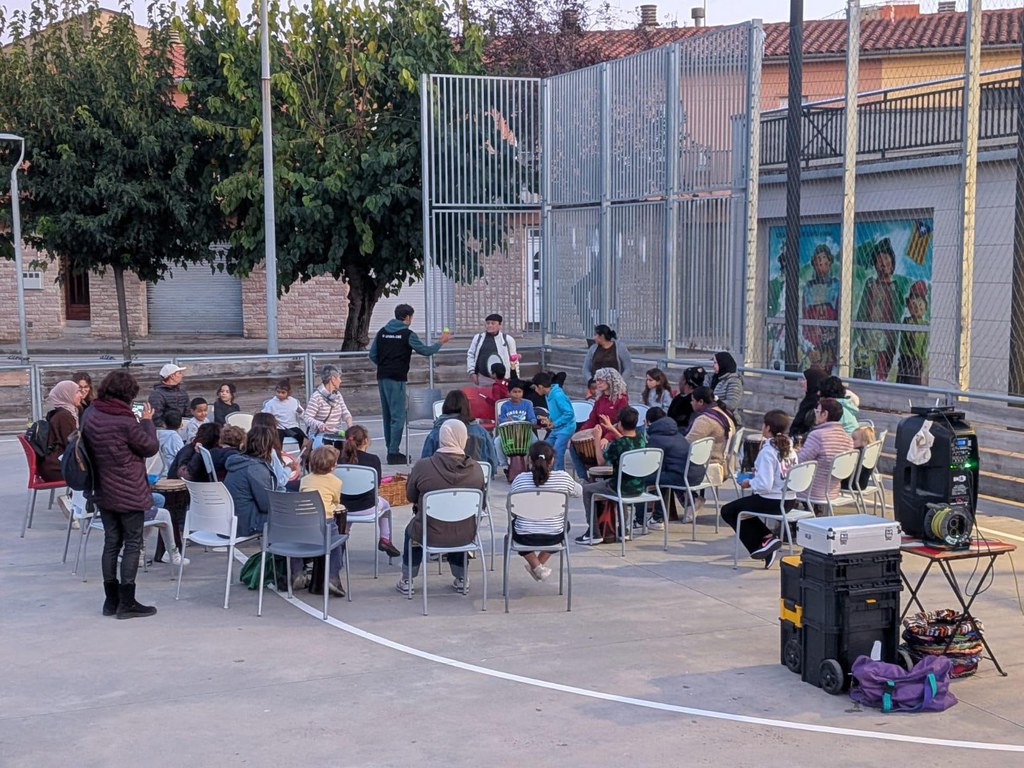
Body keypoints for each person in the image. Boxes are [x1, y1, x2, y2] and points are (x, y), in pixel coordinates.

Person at [84, 369, 160, 619]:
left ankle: (110, 600)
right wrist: (147, 421)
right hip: (129, 488)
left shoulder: (91, 413)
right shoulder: (126, 421)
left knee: (111, 542)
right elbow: (149, 447)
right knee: (132, 543)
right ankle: (127, 603)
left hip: (103, 487)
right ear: (129, 394)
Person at [396, 420, 486, 595]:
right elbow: (480, 505)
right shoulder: (476, 469)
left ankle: (407, 579)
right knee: (458, 522)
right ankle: (462, 577)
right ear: (463, 438)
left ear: (441, 437)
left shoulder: (423, 466)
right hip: (465, 534)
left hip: (429, 532)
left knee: (412, 531)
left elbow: (411, 496)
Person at [369, 304, 450, 465]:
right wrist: (441, 342)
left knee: (387, 415)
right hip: (397, 378)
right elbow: (425, 351)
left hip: (382, 377)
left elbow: (372, 354)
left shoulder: (382, 332)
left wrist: (384, 364)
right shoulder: (407, 334)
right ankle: (393, 453)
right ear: (407, 317)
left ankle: (390, 448)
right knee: (398, 416)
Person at [721, 410, 800, 569]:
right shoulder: (790, 449)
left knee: (728, 511)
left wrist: (749, 482)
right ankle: (767, 541)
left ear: (768, 427)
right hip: (789, 499)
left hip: (772, 501)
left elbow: (765, 485)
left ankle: (763, 543)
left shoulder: (768, 451)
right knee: (741, 509)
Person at [508, 441, 581, 581]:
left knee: (514, 527)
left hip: (525, 536)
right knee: (565, 525)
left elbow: (512, 509)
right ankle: (537, 566)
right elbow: (579, 492)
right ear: (552, 460)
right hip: (554, 535)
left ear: (529, 460)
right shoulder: (563, 478)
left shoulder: (519, 479)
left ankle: (536, 566)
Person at [578, 406, 646, 545]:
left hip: (619, 487)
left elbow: (601, 462)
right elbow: (627, 443)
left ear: (619, 423)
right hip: (639, 487)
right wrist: (611, 429)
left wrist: (597, 440)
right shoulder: (641, 439)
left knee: (587, 489)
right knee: (622, 482)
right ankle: (623, 530)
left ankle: (594, 533)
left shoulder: (617, 444)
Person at [338, 425, 401, 557]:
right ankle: (385, 539)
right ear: (366, 440)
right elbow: (376, 486)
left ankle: (340, 545)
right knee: (386, 505)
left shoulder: (339, 460)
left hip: (343, 507)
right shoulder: (373, 460)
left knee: (346, 514)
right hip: (367, 506)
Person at [298, 445, 347, 597]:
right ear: (333, 466)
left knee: (296, 541)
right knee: (336, 544)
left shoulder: (305, 480)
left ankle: (296, 571)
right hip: (325, 522)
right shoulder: (336, 482)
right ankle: (332, 576)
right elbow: (336, 500)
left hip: (303, 523)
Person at [643, 407, 703, 529]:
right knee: (662, 476)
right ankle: (658, 517)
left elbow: (650, 463)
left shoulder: (656, 438)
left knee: (645, 478)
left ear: (648, 422)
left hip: (683, 477)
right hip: (696, 473)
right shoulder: (676, 433)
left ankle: (649, 519)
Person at [855, 240, 902, 381]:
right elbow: (862, 311)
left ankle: (881, 381)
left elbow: (897, 314)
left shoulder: (895, 287)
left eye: (886, 258)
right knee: (866, 367)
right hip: (869, 334)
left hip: (885, 338)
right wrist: (859, 333)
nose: (883, 263)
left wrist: (893, 339)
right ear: (875, 264)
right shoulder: (870, 284)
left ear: (892, 262)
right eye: (879, 259)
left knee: (881, 368)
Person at [570, 367, 629, 478]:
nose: (598, 383)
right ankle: (584, 478)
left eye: (601, 380)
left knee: (603, 448)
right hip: (597, 433)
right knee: (573, 446)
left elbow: (620, 423)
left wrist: (607, 437)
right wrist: (579, 434)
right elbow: (592, 419)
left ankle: (603, 477)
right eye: (597, 380)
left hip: (613, 434)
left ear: (610, 381)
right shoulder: (600, 398)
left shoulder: (622, 399)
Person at [420, 389, 499, 473]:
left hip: (442, 478)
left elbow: (425, 464)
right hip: (475, 477)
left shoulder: (435, 433)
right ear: (467, 406)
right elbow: (492, 463)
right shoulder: (481, 432)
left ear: (445, 406)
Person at [797, 398, 855, 510]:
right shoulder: (848, 438)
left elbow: (800, 461)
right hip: (832, 491)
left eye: (817, 411)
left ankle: (788, 518)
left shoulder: (817, 435)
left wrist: (795, 453)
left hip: (811, 490)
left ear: (825, 414)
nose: (815, 414)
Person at [224, 425, 280, 537]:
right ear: (268, 446)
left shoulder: (238, 462)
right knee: (292, 516)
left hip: (229, 523)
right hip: (246, 524)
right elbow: (266, 505)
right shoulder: (256, 468)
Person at [685, 386, 735, 488]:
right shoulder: (723, 412)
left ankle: (688, 497)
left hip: (709, 465)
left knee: (669, 464)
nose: (691, 403)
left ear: (701, 402)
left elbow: (687, 443)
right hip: (723, 461)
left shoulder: (705, 420)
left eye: (693, 400)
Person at [802, 243, 840, 371]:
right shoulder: (809, 287)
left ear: (829, 261)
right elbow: (805, 314)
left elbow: (838, 312)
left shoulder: (836, 285)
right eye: (817, 259)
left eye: (823, 258)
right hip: (814, 337)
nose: (820, 262)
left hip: (830, 337)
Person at [39, 380, 83, 482]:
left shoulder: (62, 413)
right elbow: (73, 444)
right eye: (77, 392)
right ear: (66, 395)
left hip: (54, 464)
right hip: (57, 467)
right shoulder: (64, 417)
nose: (81, 395)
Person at [532, 372, 574, 472]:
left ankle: (560, 474)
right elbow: (555, 411)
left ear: (540, 386)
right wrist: (549, 420)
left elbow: (569, 413)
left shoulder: (557, 395)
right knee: (544, 448)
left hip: (566, 428)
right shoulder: (548, 395)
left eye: (536, 387)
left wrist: (555, 423)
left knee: (557, 451)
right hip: (557, 429)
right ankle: (546, 471)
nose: (535, 390)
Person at [493, 380, 538, 470]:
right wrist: (505, 420)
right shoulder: (505, 406)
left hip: (525, 433)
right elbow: (501, 420)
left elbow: (532, 418)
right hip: (509, 435)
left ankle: (530, 463)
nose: (517, 394)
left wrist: (533, 422)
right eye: (514, 392)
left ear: (523, 392)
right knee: (497, 442)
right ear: (509, 393)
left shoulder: (527, 404)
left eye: (519, 392)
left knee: (535, 441)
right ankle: (505, 465)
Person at [467, 313, 519, 384]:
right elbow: (471, 355)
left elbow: (514, 360)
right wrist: (472, 372)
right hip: (483, 379)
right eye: (488, 323)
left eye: (493, 323)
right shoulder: (478, 338)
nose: (490, 325)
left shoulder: (508, 339)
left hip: (503, 380)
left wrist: (515, 379)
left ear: (499, 325)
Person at [252, 412, 300, 489]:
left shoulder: (247, 449)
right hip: (273, 491)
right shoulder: (270, 452)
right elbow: (280, 481)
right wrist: (289, 468)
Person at [304, 365, 353, 440]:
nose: (340, 381)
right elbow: (307, 417)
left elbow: (345, 412)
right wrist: (319, 424)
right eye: (339, 378)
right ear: (333, 379)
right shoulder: (316, 396)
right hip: (319, 435)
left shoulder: (338, 395)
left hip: (336, 434)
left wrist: (350, 426)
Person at [896, 280, 929, 385]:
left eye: (920, 304)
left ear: (925, 306)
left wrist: (922, 357)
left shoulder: (925, 325)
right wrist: (906, 353)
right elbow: (903, 341)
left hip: (917, 359)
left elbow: (925, 344)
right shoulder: (906, 321)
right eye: (913, 303)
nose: (916, 307)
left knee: (915, 380)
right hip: (906, 358)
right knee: (903, 379)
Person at [262, 377, 306, 444]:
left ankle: (304, 451)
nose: (280, 394)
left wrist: (300, 412)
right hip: (278, 428)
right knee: (276, 442)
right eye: (278, 392)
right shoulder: (271, 403)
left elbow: (303, 415)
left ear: (288, 393)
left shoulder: (294, 401)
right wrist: (271, 421)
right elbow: (264, 416)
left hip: (292, 427)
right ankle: (278, 451)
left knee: (305, 440)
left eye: (283, 392)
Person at [790, 365, 828, 440]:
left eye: (804, 380)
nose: (801, 383)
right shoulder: (809, 398)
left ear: (812, 381)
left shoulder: (815, 402)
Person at [148, 363, 190, 429]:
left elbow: (188, 413)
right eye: (179, 373)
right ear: (172, 376)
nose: (182, 375)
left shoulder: (182, 392)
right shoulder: (157, 395)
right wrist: (168, 428)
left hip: (183, 428)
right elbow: (156, 417)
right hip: (165, 431)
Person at [667, 366, 705, 432]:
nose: (679, 381)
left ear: (686, 383)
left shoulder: (690, 403)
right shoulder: (680, 397)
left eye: (682, 378)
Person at [155, 411, 185, 478]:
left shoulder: (158, 434)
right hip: (170, 472)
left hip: (159, 471)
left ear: (164, 424)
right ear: (181, 424)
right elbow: (181, 456)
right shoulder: (175, 437)